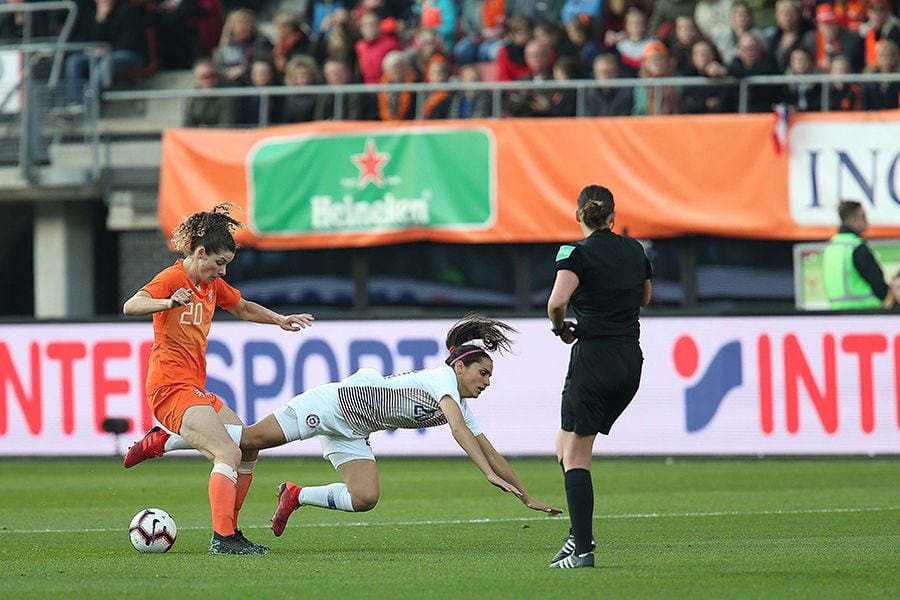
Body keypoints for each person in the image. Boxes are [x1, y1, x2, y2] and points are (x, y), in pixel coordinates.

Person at [123, 314, 563, 537]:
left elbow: (490, 448)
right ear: (462, 365)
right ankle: (166, 439)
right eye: (483, 373)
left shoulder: (460, 400)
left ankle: (295, 495)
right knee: (252, 440)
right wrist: (484, 473)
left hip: (353, 429)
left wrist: (527, 496)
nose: (486, 383)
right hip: (334, 404)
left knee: (366, 497)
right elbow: (462, 436)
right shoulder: (441, 378)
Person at [122, 204, 314, 554]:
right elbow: (131, 305)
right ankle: (222, 539)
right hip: (170, 388)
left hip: (195, 388)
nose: (222, 271)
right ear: (199, 253)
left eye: (227, 264)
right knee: (227, 451)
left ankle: (230, 530)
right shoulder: (173, 279)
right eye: (219, 262)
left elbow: (241, 307)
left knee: (250, 444)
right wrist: (166, 303)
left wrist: (279, 319)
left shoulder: (211, 286)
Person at [546, 184, 652, 569]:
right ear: (613, 217)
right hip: (629, 360)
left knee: (576, 457)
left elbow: (557, 302)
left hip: (593, 359)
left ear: (579, 215)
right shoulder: (634, 249)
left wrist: (561, 329)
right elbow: (644, 298)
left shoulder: (574, 252)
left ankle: (584, 548)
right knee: (563, 445)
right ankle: (578, 532)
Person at [822, 200, 899, 310]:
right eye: (863, 216)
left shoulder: (831, 246)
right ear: (853, 216)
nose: (867, 222)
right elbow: (877, 282)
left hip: (836, 312)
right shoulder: (855, 247)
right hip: (865, 311)